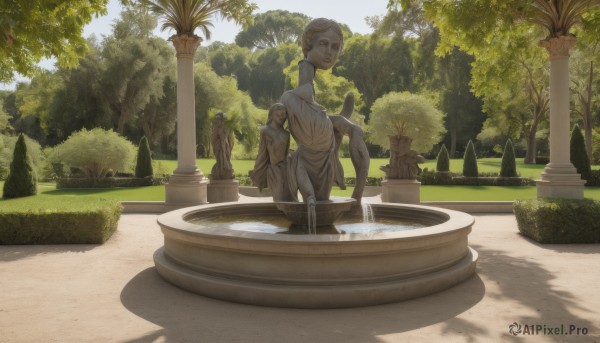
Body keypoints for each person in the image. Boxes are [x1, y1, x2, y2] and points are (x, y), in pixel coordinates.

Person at [281, 18, 345, 206]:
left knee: (321, 201)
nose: (329, 52)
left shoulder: (309, 69)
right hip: (314, 142)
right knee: (286, 97)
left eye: (335, 47)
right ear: (308, 45)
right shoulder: (306, 69)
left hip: (317, 147)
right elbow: (306, 94)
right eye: (323, 44)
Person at [250, 104, 295, 201]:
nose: (282, 115)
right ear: (272, 114)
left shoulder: (286, 134)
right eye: (279, 112)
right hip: (273, 168)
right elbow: (264, 153)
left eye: (284, 114)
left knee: (288, 197)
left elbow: (286, 153)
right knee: (278, 197)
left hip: (285, 168)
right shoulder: (266, 131)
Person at [210, 112, 234, 180]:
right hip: (218, 147)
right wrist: (219, 137)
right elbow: (213, 139)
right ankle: (221, 170)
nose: (217, 122)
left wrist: (228, 146)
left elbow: (230, 140)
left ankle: (226, 170)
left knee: (226, 157)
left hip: (226, 147)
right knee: (220, 158)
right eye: (216, 120)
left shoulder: (227, 129)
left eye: (219, 120)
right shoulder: (215, 128)